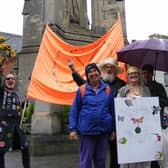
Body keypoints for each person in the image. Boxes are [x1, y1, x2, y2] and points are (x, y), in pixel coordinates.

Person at [68, 57, 126, 168]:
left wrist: (113, 128)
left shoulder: (110, 88)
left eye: (95, 71)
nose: (93, 73)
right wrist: (72, 129)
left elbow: (112, 110)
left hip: (103, 131)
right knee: (86, 161)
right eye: (90, 72)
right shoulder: (82, 90)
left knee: (101, 161)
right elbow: (74, 110)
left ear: (99, 73)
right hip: (87, 132)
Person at [117, 66, 151, 168]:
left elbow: (149, 106)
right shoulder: (122, 90)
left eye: (135, 73)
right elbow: (118, 108)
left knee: (143, 154)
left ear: (139, 75)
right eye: (131, 74)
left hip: (144, 127)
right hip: (128, 128)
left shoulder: (146, 90)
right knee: (129, 155)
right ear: (127, 76)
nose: (133, 75)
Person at [0, 72, 30, 168]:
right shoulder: (1, 93)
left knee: (25, 148)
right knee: (1, 151)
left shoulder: (16, 93)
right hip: (4, 127)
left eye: (12, 78)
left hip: (16, 127)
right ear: (4, 81)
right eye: (8, 79)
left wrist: (24, 103)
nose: (10, 80)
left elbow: (17, 109)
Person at [141, 64, 168, 168]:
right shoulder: (140, 87)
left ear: (152, 74)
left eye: (147, 73)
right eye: (143, 73)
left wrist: (153, 101)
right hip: (143, 122)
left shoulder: (159, 86)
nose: (145, 75)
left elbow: (165, 101)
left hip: (157, 121)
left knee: (157, 144)